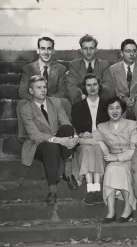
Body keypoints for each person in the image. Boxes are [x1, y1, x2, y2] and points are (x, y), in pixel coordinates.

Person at [20, 75, 79, 204]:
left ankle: (68, 172)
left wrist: (74, 137)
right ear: (31, 91)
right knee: (51, 146)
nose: (43, 90)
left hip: (57, 138)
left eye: (45, 87)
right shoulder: (26, 109)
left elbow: (65, 122)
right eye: (39, 87)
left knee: (67, 129)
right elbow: (34, 135)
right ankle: (52, 189)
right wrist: (59, 140)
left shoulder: (56, 102)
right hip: (38, 145)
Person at [79, 97, 137, 224]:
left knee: (120, 168)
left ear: (122, 110)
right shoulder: (102, 127)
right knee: (111, 168)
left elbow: (135, 150)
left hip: (130, 159)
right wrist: (82, 136)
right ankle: (111, 212)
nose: (114, 111)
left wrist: (116, 157)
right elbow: (88, 141)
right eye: (111, 108)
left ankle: (128, 210)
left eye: (117, 108)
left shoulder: (132, 124)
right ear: (107, 111)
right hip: (112, 160)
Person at [17, 36, 71, 142]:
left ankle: (65, 133)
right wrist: (38, 100)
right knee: (22, 103)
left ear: (53, 50)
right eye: (42, 48)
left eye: (49, 48)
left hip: (52, 102)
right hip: (35, 101)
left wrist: (48, 101)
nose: (46, 52)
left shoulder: (60, 69)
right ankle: (24, 137)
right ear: (38, 50)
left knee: (65, 102)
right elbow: (22, 91)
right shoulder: (28, 68)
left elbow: (62, 91)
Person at [71, 74, 109, 205]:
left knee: (97, 149)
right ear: (84, 88)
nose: (92, 88)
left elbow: (110, 127)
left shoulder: (107, 105)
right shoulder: (77, 106)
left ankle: (95, 189)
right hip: (84, 142)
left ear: (99, 86)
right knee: (87, 149)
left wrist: (97, 136)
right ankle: (91, 189)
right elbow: (74, 128)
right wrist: (82, 134)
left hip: (101, 141)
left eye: (95, 84)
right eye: (89, 85)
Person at [103, 39, 137, 138]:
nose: (132, 54)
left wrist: (135, 98)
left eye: (134, 51)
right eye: (128, 51)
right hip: (121, 101)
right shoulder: (113, 69)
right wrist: (124, 99)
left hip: (136, 103)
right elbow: (113, 90)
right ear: (122, 53)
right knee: (116, 104)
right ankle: (119, 136)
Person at [67, 34, 115, 105]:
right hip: (81, 96)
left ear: (96, 50)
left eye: (91, 48)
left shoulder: (104, 64)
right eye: (85, 48)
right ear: (81, 50)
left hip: (99, 95)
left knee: (109, 91)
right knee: (73, 93)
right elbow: (72, 85)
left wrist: (94, 93)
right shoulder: (74, 65)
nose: (88, 51)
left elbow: (108, 84)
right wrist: (82, 94)